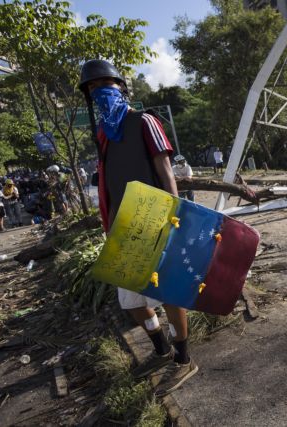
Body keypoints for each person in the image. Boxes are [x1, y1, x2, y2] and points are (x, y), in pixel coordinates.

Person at [79, 59, 197, 397]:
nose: (99, 91)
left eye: (105, 84)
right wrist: (111, 227)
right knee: (130, 301)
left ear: (120, 87)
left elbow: (165, 172)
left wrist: (176, 215)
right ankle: (160, 345)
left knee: (168, 294)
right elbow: (112, 185)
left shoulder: (144, 121)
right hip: (124, 226)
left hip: (155, 217)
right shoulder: (104, 135)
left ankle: (183, 357)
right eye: (91, 87)